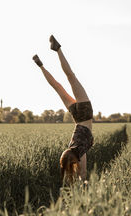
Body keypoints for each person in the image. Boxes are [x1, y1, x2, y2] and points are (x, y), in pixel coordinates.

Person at [32, 35, 93, 185]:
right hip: (77, 118)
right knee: (61, 84)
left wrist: (80, 177)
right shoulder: (72, 147)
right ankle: (41, 64)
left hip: (84, 114)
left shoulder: (79, 151)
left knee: (69, 78)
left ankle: (57, 49)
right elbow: (78, 167)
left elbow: (83, 173)